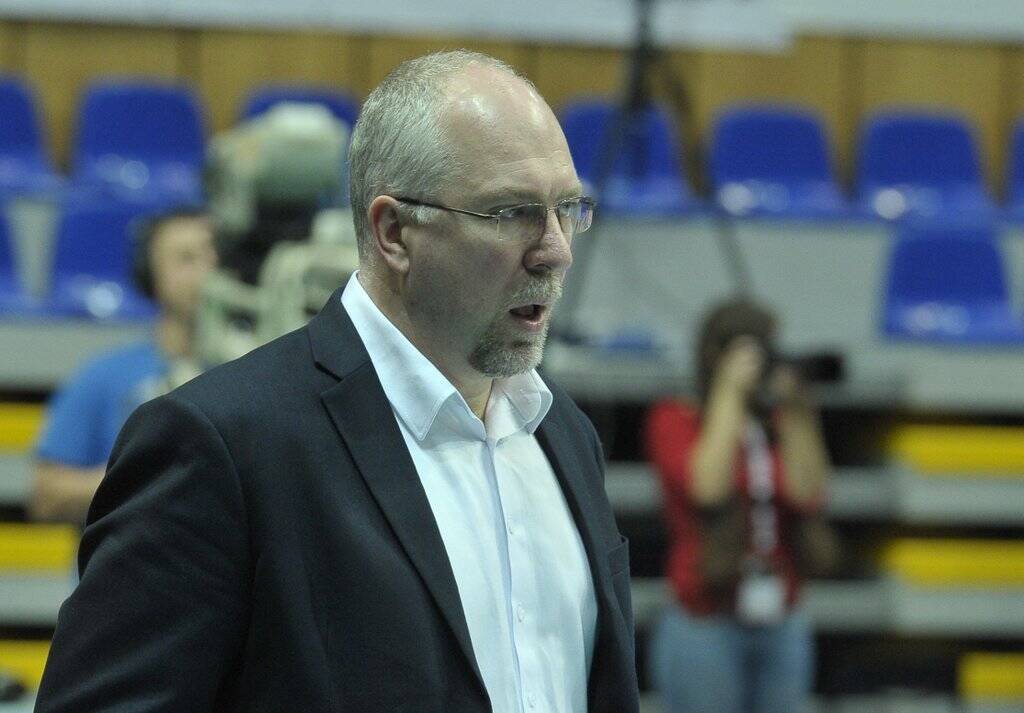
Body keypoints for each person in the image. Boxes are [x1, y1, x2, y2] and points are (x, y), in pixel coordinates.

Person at [34, 51, 639, 713]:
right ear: (394, 232)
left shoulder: (564, 435)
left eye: (568, 208)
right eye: (511, 212)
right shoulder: (223, 445)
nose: (556, 250)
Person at [645, 298, 835, 713]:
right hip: (703, 616)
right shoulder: (675, 416)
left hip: (782, 614)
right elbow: (707, 489)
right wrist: (728, 392)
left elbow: (809, 493)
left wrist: (798, 410)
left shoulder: (777, 421)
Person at [29, 208, 217, 524]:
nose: (208, 270)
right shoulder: (104, 375)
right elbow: (46, 495)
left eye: (216, 256)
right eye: (186, 258)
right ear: (150, 274)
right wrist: (145, 476)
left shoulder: (255, 372)